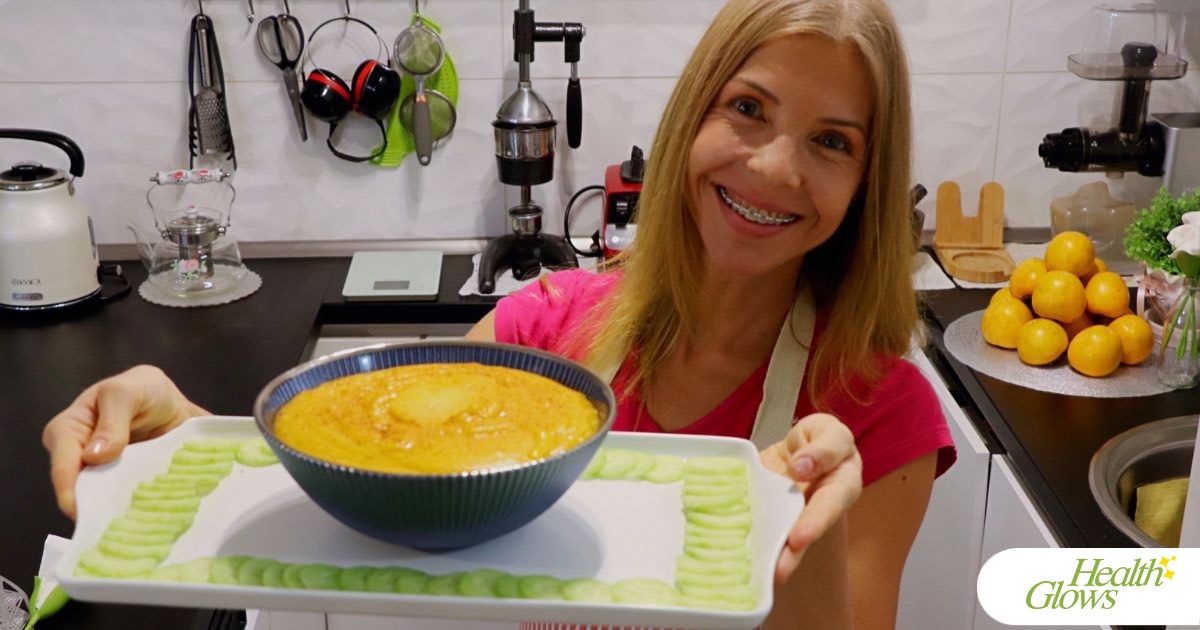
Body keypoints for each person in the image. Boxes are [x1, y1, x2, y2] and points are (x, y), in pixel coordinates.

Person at [42, 0, 955, 627]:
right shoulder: (545, 328)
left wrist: (809, 526)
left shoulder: (881, 412)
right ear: (692, 121)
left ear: (866, 183)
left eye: (832, 141)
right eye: (748, 108)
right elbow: (382, 489)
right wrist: (189, 437)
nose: (773, 169)